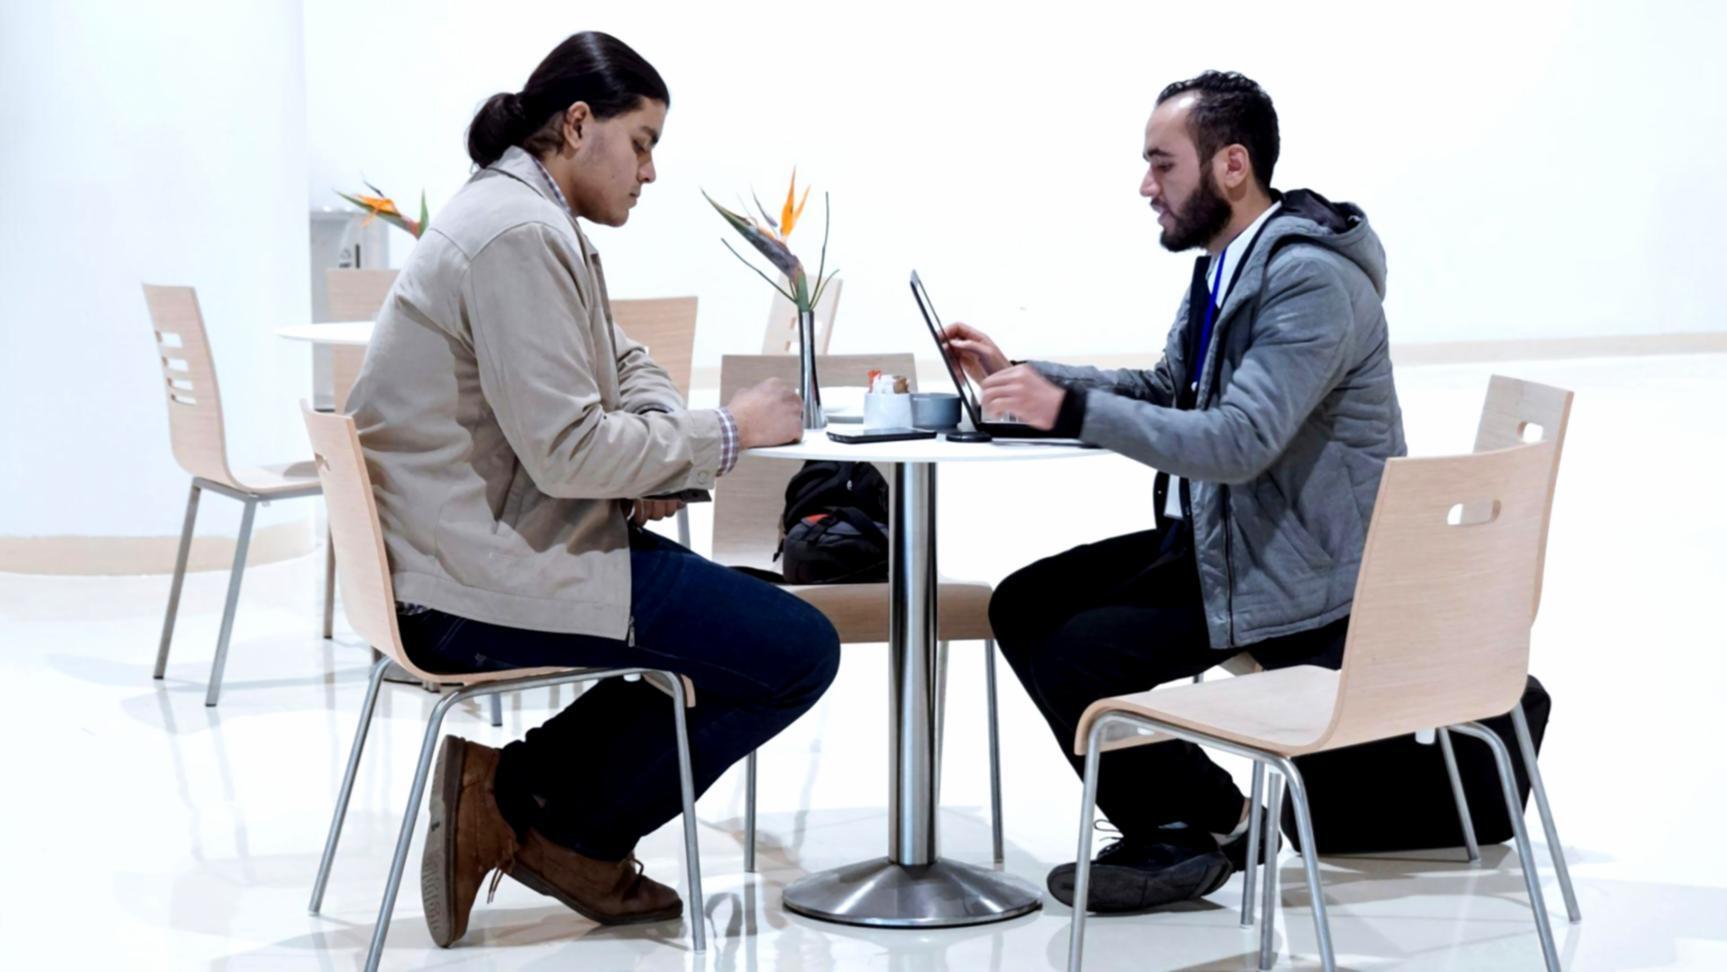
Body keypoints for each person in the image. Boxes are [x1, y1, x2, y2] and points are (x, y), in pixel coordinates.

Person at [344, 31, 841, 947]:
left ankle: (533, 806)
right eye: (642, 142)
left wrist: (654, 450)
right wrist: (728, 433)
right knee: (796, 650)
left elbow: (623, 361)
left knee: (747, 621)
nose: (649, 172)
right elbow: (571, 452)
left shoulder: (518, 214)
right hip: (471, 582)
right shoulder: (517, 234)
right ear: (578, 124)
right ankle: (545, 817)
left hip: (467, 553)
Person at [942, 70, 1406, 912]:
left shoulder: (1309, 282)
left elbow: (1237, 440)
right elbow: (1167, 389)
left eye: (1162, 164)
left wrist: (1067, 410)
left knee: (1079, 649)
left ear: (1231, 165)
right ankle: (1214, 820)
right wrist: (1028, 378)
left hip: (1300, 571)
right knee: (1024, 602)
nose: (1145, 186)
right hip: (1229, 541)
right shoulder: (1225, 267)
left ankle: (1186, 826)